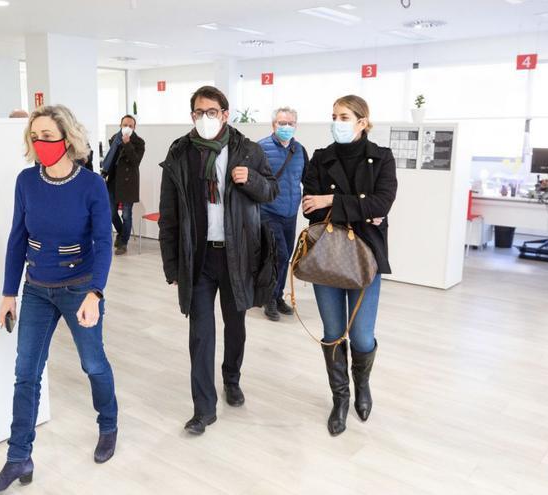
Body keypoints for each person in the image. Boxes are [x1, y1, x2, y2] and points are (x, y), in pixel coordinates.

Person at [0, 105, 118, 492]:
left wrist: (96, 292)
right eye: (35, 136)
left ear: (67, 139)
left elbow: (103, 242)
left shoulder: (91, 184)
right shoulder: (26, 181)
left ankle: (107, 425)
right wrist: (9, 292)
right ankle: (18, 457)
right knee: (26, 372)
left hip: (80, 286)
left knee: (93, 363)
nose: (41, 143)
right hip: (37, 287)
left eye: (48, 136)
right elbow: (17, 239)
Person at [158, 86, 278, 435]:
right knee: (200, 333)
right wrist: (172, 265)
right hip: (197, 258)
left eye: (211, 112)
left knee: (235, 325)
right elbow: (169, 214)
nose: (204, 118)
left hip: (237, 255)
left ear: (225, 114)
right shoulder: (180, 153)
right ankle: (203, 409)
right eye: (198, 112)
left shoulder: (248, 150)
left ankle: (231, 378)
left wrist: (251, 179)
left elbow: (272, 190)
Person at [301, 95, 397, 437]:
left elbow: (383, 202)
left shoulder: (382, 158)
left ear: (362, 121)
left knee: (361, 334)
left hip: (365, 258)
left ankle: (363, 386)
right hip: (326, 255)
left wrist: (331, 201)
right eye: (334, 116)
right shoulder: (320, 158)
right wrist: (359, 207)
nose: (337, 121)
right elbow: (310, 208)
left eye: (344, 116)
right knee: (331, 332)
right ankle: (340, 398)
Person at [257, 106, 308, 321]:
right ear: (273, 125)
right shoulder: (261, 148)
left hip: (290, 213)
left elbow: (308, 178)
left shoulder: (299, 150)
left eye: (290, 123)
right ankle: (269, 298)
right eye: (281, 123)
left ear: (295, 126)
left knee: (285, 257)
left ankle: (277, 296)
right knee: (278, 254)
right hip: (268, 212)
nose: (285, 127)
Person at [102, 115, 145, 255]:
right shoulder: (114, 139)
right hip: (113, 181)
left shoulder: (139, 143)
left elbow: (135, 161)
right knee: (112, 213)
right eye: (125, 124)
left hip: (128, 183)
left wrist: (127, 144)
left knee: (126, 215)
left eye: (130, 126)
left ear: (134, 127)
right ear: (120, 125)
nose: (127, 127)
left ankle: (123, 243)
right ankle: (122, 234)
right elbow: (110, 159)